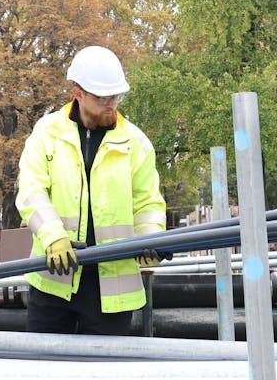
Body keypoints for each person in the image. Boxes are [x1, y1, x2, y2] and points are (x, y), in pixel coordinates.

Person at [15, 46, 166, 334]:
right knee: (43, 369)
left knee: (105, 373)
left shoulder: (136, 143)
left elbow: (148, 203)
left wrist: (151, 240)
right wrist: (53, 237)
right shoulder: (47, 133)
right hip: (54, 276)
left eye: (116, 96)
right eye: (102, 97)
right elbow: (31, 190)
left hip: (112, 285)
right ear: (78, 94)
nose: (111, 104)